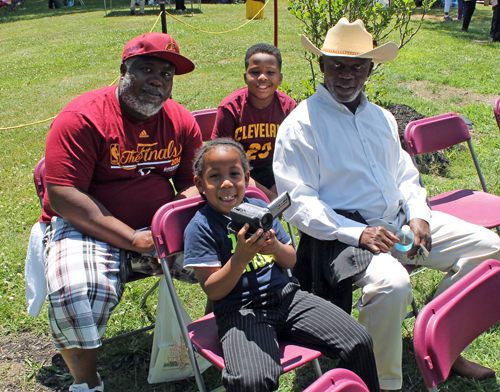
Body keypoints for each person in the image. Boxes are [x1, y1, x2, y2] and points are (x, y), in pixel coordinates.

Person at [273, 18, 500, 392]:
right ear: (322, 65)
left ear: (370, 68)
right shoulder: (301, 125)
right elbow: (300, 203)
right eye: (337, 65)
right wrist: (358, 233)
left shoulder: (381, 117)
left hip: (401, 225)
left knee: (489, 249)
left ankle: (443, 340)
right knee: (391, 286)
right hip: (343, 238)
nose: (347, 75)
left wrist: (419, 216)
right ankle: (381, 382)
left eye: (358, 66)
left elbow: (406, 175)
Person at [41, 33, 202, 392]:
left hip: (158, 229)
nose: (158, 80)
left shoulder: (180, 120)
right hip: (88, 227)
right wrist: (130, 238)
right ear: (123, 70)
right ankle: (87, 382)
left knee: (231, 256)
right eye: (146, 69)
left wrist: (170, 224)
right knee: (76, 289)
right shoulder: (82, 117)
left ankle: (231, 343)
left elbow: (194, 182)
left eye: (167, 73)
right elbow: (64, 194)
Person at [183, 138, 381, 392]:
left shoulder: (259, 209)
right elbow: (214, 290)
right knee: (252, 381)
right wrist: (240, 258)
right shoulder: (201, 227)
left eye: (234, 174)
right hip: (240, 311)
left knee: (359, 340)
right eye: (215, 176)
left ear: (246, 177)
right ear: (200, 184)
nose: (226, 183)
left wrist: (275, 248)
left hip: (287, 298)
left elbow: (291, 259)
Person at [211, 43, 296, 201]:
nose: (262, 77)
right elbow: (222, 160)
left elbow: (295, 155)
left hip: (277, 170)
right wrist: (268, 195)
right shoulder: (230, 108)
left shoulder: (288, 107)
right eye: (255, 72)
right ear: (245, 77)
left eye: (270, 72)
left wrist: (278, 187)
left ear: (280, 78)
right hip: (239, 172)